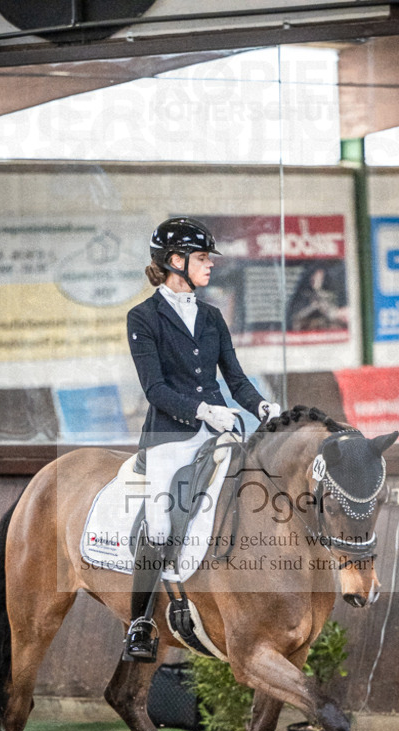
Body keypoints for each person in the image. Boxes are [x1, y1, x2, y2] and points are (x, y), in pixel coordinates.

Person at [124, 216, 280, 661]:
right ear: (176, 261)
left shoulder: (211, 316)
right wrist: (202, 410)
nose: (209, 265)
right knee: (159, 521)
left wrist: (260, 406)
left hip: (221, 431)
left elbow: (235, 377)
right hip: (170, 437)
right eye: (201, 257)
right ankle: (139, 623)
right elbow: (154, 388)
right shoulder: (143, 317)